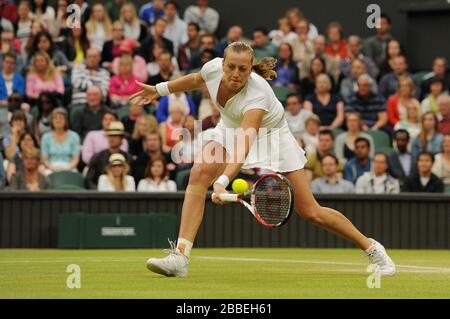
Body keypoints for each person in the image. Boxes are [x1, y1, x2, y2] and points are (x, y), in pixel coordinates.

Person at [130, 41, 396, 277]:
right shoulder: (213, 68)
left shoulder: (257, 94)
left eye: (242, 69)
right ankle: (180, 256)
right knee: (199, 173)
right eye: (231, 67)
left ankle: (372, 247)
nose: (235, 74)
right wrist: (159, 89)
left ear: (250, 69)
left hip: (272, 138)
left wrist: (223, 180)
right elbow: (196, 79)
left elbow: (244, 143)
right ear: (222, 64)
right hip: (230, 127)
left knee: (311, 212)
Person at [86, 121, 133, 189]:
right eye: (110, 136)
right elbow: (89, 180)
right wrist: (99, 194)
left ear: (122, 139)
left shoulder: (128, 158)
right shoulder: (97, 157)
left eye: (115, 136)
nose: (111, 138)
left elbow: (130, 179)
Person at [40, 108, 80, 176]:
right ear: (52, 121)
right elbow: (45, 159)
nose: (58, 120)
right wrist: (52, 168)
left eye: (61, 118)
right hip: (51, 167)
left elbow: (75, 159)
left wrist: (68, 168)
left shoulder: (74, 136)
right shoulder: (46, 137)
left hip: (69, 167)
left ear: (66, 121)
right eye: (55, 118)